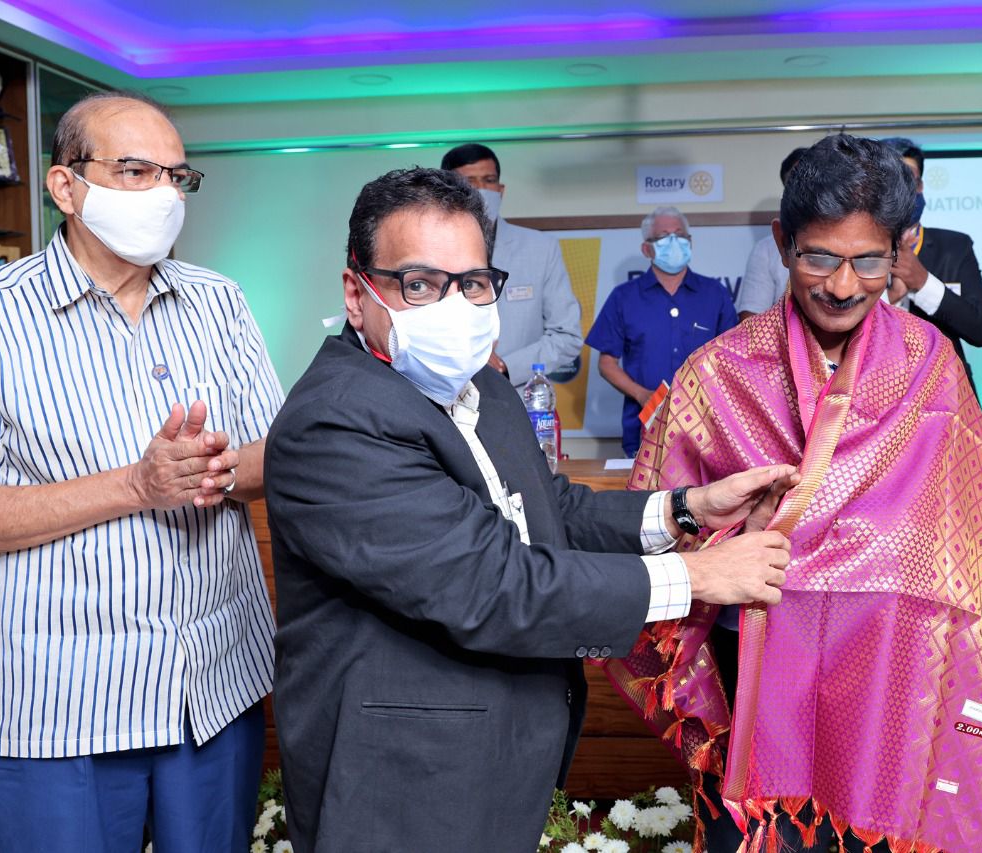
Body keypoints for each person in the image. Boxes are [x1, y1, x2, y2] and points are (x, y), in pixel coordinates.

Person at [264, 166, 798, 852]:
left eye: (472, 283)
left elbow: (548, 507)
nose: (455, 307)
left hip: (499, 758)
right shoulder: (336, 421)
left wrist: (687, 509)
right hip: (400, 784)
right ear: (356, 292)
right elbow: (490, 583)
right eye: (420, 284)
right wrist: (700, 577)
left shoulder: (484, 388)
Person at [607, 134, 982, 852]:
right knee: (761, 828)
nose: (843, 286)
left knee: (878, 825)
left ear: (901, 252)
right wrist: (731, 534)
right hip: (756, 652)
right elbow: (659, 523)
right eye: (820, 257)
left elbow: (977, 525)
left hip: (892, 659)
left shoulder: (928, 360)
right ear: (782, 242)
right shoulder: (717, 372)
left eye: (869, 261)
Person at [0, 91, 283, 852]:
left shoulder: (219, 302)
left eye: (176, 176)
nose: (164, 195)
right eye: (136, 171)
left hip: (213, 690)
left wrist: (211, 469)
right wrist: (137, 485)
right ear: (65, 186)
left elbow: (274, 456)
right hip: (60, 705)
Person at [586, 206, 739, 456]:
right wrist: (641, 395)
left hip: (706, 431)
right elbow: (606, 364)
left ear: (690, 242)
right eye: (664, 237)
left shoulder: (714, 293)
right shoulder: (624, 297)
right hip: (644, 432)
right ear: (646, 249)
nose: (674, 242)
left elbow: (733, 359)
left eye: (680, 235)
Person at [441, 142, 584, 385]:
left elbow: (567, 336)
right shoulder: (429, 250)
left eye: (489, 180)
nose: (480, 189)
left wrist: (505, 367)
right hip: (446, 391)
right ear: (445, 191)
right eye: (469, 182)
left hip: (516, 393)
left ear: (501, 189)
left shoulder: (540, 248)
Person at [880, 137, 982, 402]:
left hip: (949, 396)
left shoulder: (955, 247)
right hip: (878, 395)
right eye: (892, 180)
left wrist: (923, 283)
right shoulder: (856, 250)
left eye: (910, 179)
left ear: (921, 186)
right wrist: (893, 296)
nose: (902, 189)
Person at [735, 146, 806, 319]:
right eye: (795, 184)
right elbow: (750, 320)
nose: (805, 191)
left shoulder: (851, 237)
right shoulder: (766, 250)